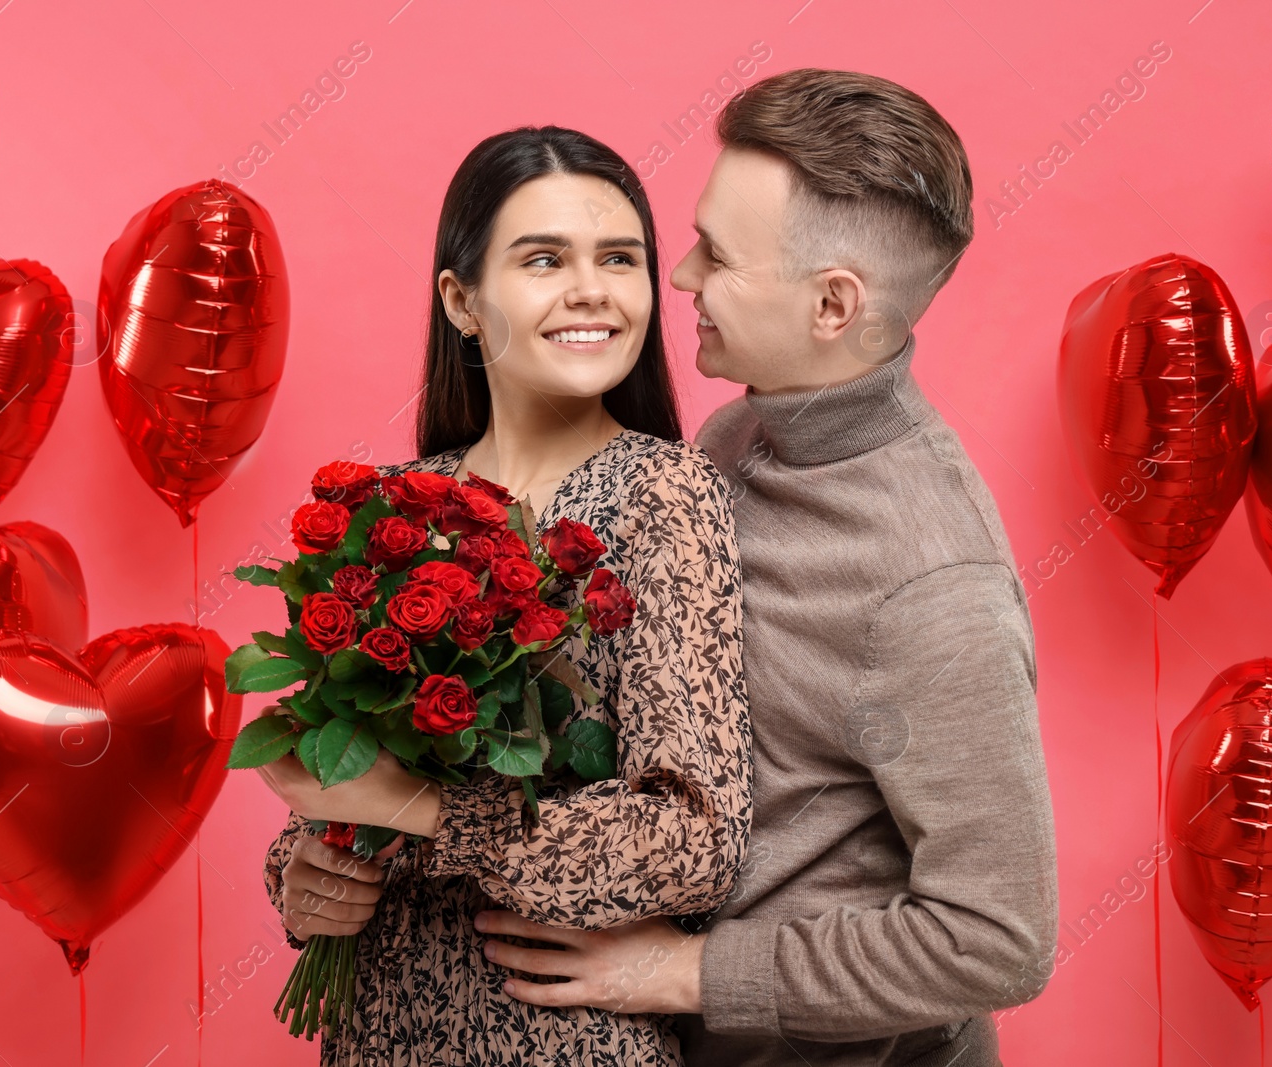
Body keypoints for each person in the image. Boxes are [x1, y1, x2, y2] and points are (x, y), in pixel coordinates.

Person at [468, 69, 1060, 1066]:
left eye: (717, 254)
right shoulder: (737, 432)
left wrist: (684, 974)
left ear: (832, 303)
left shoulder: (931, 585)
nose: (684, 275)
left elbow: (998, 937)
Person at [257, 125, 752, 1066]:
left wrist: (430, 813)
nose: (592, 291)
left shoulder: (663, 494)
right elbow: (344, 789)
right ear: (462, 300)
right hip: (376, 1028)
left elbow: (695, 837)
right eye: (543, 259)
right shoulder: (400, 507)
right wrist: (304, 871)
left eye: (620, 258)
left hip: (558, 1036)